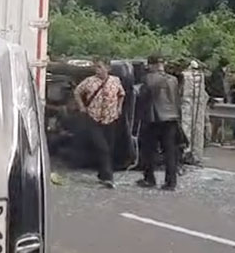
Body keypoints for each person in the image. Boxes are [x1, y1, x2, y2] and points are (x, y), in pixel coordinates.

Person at [74, 57, 125, 189]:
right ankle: (109, 177)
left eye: (100, 67)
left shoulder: (115, 81)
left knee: (109, 147)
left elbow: (121, 94)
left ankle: (103, 173)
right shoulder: (89, 81)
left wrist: (119, 107)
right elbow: (77, 92)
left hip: (110, 118)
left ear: (108, 68)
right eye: (96, 67)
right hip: (94, 117)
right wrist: (81, 106)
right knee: (102, 147)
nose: (98, 70)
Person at [137, 55, 182, 191]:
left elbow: (143, 97)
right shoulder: (173, 79)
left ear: (151, 64)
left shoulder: (148, 78)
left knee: (149, 150)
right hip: (172, 118)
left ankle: (149, 178)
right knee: (170, 151)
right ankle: (171, 182)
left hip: (154, 118)